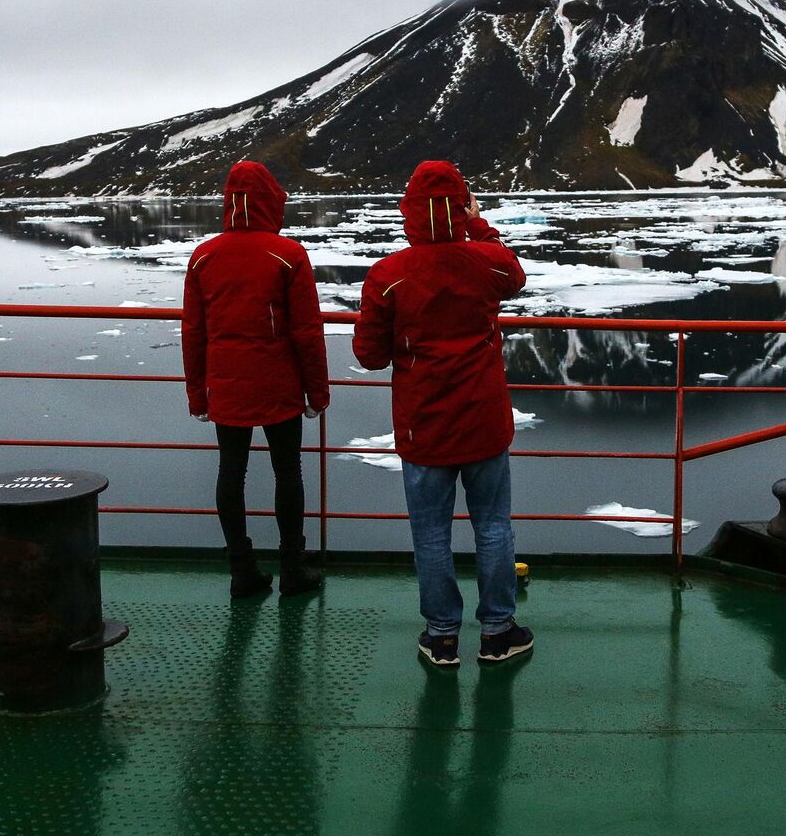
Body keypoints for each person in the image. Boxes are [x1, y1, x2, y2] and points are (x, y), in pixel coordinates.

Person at [354, 160, 533, 667]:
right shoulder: (486, 263)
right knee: (494, 525)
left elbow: (369, 354)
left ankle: (442, 636)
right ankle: (498, 631)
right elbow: (512, 272)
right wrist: (478, 223)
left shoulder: (388, 276)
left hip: (423, 424)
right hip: (483, 420)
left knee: (431, 532)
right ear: (461, 206)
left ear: (408, 210)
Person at [182, 160, 330, 599]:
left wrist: (197, 394)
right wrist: (317, 391)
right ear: (270, 201)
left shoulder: (204, 256)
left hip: (226, 386)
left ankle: (242, 570)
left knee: (232, 472)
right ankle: (292, 569)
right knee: (288, 472)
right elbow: (306, 331)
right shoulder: (287, 255)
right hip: (279, 385)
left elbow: (194, 331)